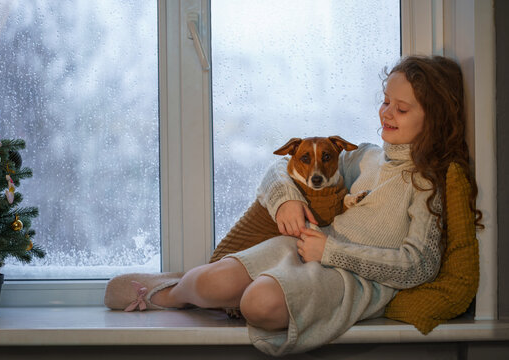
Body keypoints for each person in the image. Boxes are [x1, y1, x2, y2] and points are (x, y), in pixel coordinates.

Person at [105, 55, 483, 356]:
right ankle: (172, 292)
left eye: (401, 109)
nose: (386, 113)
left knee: (259, 304)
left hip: (349, 278)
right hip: (305, 246)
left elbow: (419, 265)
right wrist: (286, 199)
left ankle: (227, 293)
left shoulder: (430, 182)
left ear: (434, 119)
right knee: (209, 280)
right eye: (385, 101)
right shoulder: (366, 157)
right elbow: (281, 166)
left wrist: (333, 252)